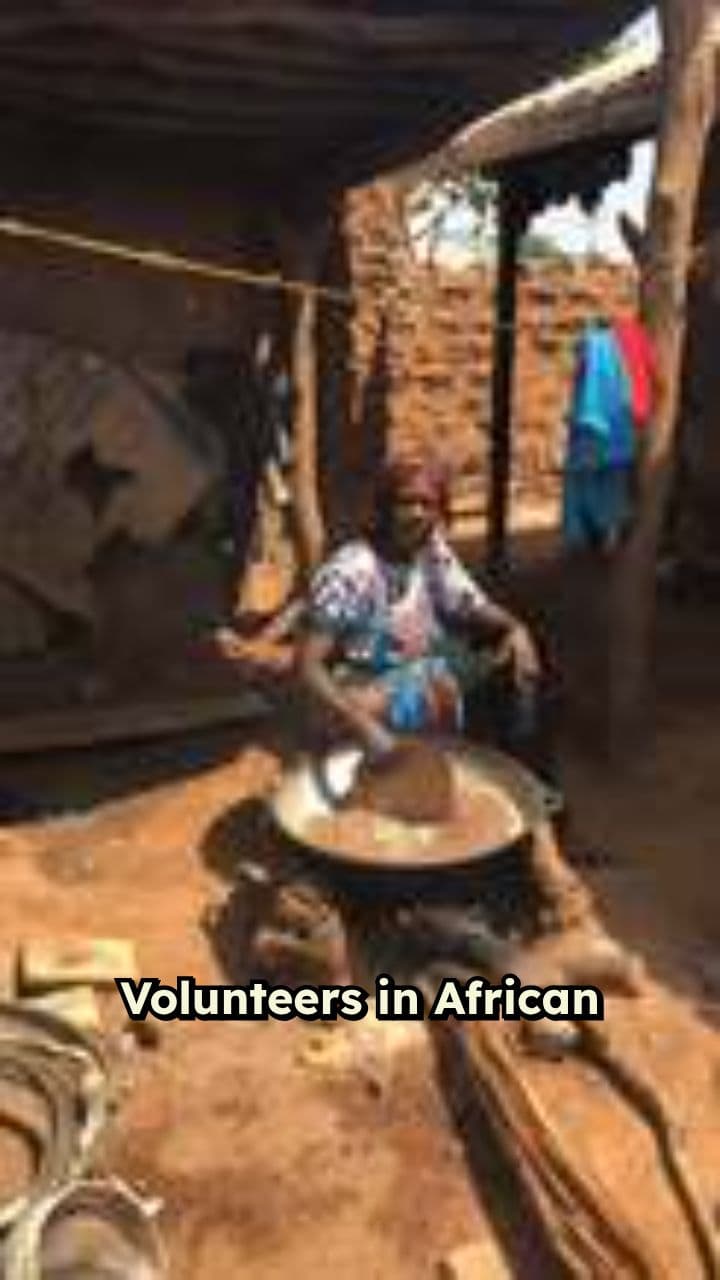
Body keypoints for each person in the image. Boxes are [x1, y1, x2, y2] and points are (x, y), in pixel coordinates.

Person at [297, 449, 549, 775]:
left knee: (516, 659)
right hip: (364, 689)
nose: (416, 513)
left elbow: (470, 605)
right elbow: (307, 667)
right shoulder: (352, 570)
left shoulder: (429, 550)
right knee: (434, 690)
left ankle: (520, 775)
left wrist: (517, 629)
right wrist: (364, 726)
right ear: (385, 508)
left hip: (418, 672)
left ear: (439, 510)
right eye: (405, 502)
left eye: (426, 504)